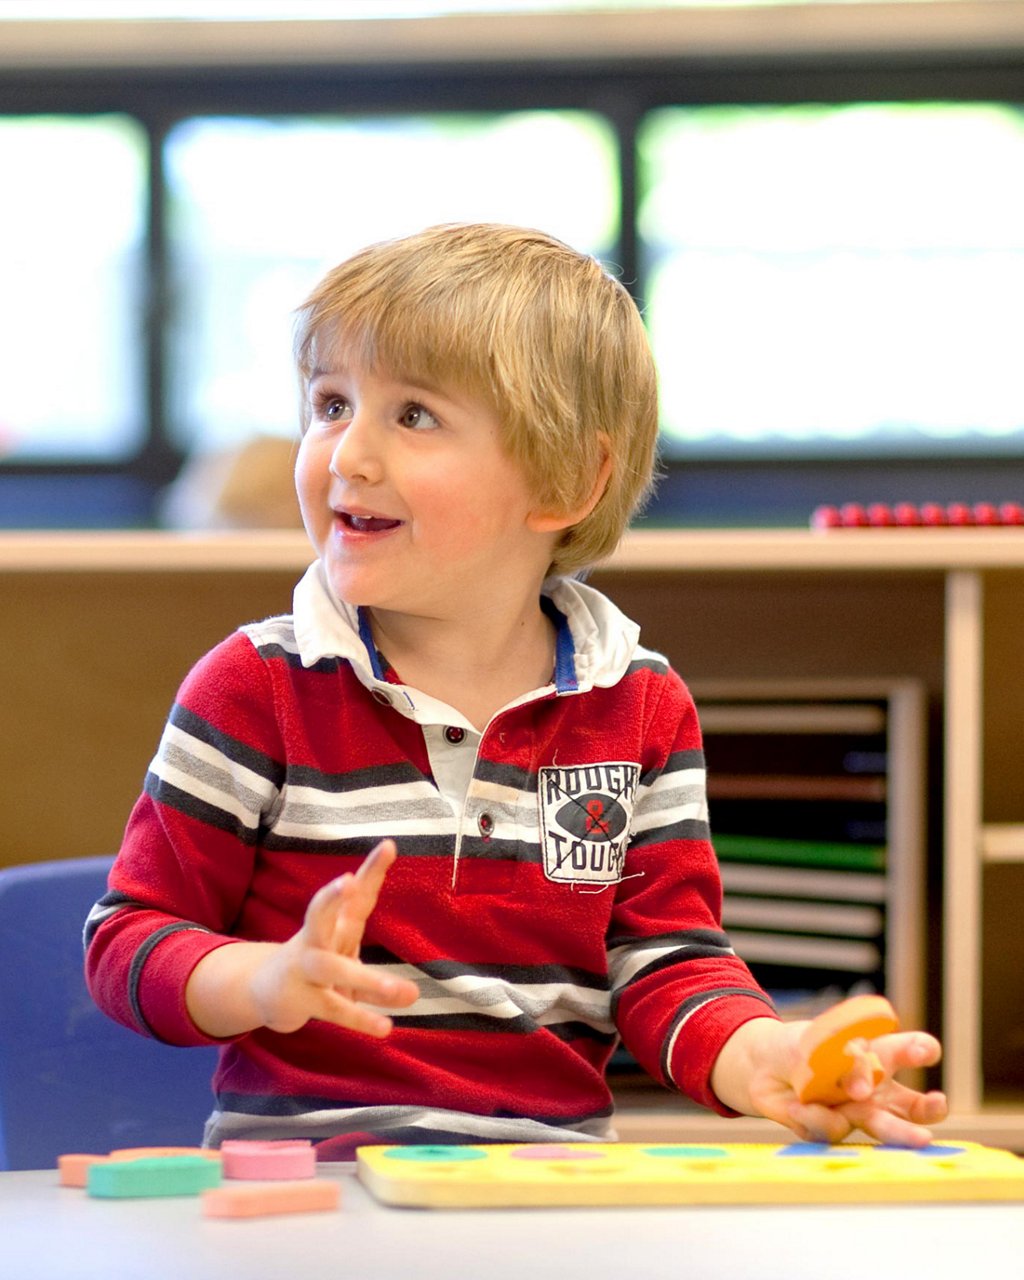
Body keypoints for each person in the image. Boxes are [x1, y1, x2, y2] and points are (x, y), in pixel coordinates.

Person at [85, 223, 947, 1160]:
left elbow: (665, 966)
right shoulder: (256, 687)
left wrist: (762, 1053)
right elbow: (128, 939)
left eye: (413, 416)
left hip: (547, 1200)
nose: (346, 454)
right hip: (308, 1197)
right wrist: (262, 980)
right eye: (331, 404)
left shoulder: (643, 708)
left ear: (568, 479)